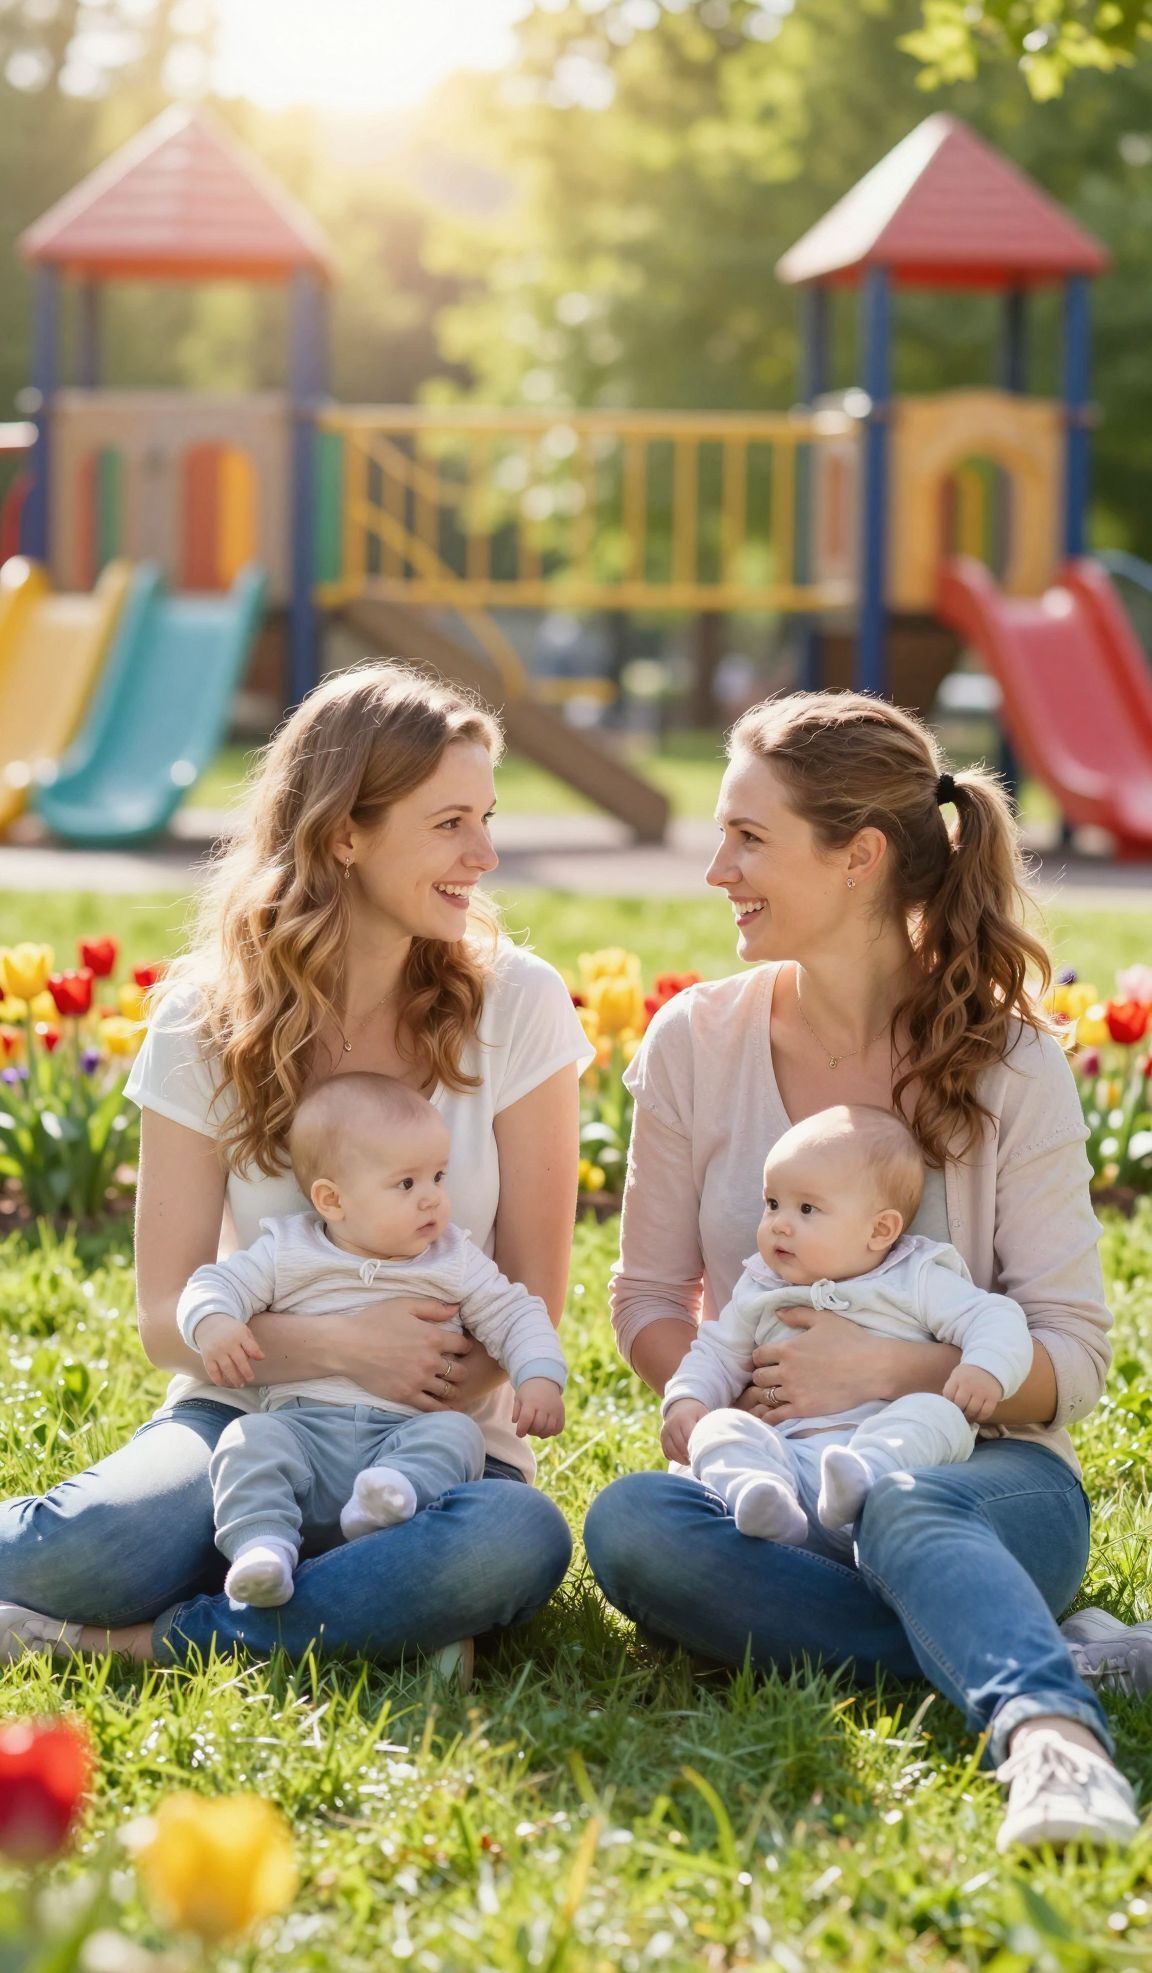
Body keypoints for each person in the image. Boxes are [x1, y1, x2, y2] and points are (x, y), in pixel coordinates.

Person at [584, 691, 1140, 1851]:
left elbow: (1074, 1355)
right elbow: (646, 1301)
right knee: (631, 1524)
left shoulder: (1009, 1059)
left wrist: (897, 1369)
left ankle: (1054, 1735)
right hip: (773, 1481)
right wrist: (730, 1389)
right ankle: (1026, 1636)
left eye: (749, 838)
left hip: (981, 1479)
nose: (717, 871)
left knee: (904, 1505)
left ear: (860, 856)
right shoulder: (695, 1043)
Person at [0, 667, 591, 1680]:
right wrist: (339, 1348)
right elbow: (164, 1318)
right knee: (81, 1549)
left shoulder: (519, 1002)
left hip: (440, 1445)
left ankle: (147, 1641)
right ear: (345, 834)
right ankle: (359, 1604)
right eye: (451, 823)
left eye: (486, 819)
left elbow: (533, 1298)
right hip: (246, 1423)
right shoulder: (205, 1015)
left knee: (516, 1540)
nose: (485, 856)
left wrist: (412, 1392)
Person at [179, 1072, 566, 1610]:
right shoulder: (288, 1250)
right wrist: (215, 1323)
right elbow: (212, 1284)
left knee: (457, 1435)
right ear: (332, 1200)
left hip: (404, 1432)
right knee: (248, 1441)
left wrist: (539, 1375)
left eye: (438, 1176)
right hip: (304, 1432)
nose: (432, 1199)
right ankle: (262, 1549)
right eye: (406, 1184)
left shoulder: (453, 1259)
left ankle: (391, 1498)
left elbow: (515, 1311)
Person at [661, 1104, 1032, 1545]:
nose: (779, 1225)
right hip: (787, 1459)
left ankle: (863, 1476)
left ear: (880, 1230)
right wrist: (688, 1400)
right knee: (719, 1429)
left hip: (889, 1474)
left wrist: (985, 1367)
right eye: (773, 1204)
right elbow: (716, 1353)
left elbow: (993, 1315)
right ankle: (758, 1494)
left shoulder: (914, 1277)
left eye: (807, 1209)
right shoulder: (761, 1285)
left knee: (936, 1414)